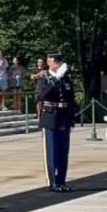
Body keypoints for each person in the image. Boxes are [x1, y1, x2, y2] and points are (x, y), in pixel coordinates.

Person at [37, 52, 76, 192]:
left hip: (63, 117)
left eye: (58, 61)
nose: (57, 63)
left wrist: (72, 118)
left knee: (63, 151)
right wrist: (54, 80)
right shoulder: (45, 78)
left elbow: (71, 99)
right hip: (50, 117)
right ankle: (53, 182)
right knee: (52, 151)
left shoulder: (66, 78)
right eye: (55, 60)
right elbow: (40, 96)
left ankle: (61, 180)